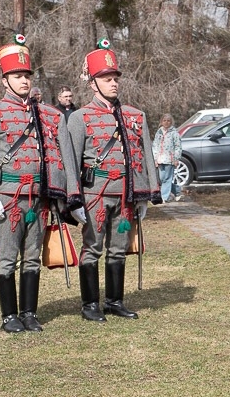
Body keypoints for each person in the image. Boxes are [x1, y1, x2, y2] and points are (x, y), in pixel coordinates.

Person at [0, 35, 77, 333]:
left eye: (27, 76)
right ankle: (9, 316)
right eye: (17, 76)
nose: (24, 81)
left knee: (32, 256)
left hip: (39, 198)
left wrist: (61, 193)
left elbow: (59, 157)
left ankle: (29, 313)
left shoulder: (47, 115)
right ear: (4, 80)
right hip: (8, 197)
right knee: (7, 259)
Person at [65, 39, 156, 322]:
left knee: (118, 248)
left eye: (115, 77)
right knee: (92, 247)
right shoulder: (80, 118)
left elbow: (146, 156)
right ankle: (90, 304)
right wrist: (74, 198)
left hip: (126, 193)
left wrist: (144, 195)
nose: (113, 83)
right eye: (106, 78)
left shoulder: (135, 116)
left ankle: (115, 301)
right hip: (96, 193)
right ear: (93, 83)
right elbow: (71, 160)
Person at [153, 113, 183, 203]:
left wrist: (176, 158)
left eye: (168, 121)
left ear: (171, 122)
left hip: (170, 160)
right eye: (164, 120)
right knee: (162, 179)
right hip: (160, 159)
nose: (166, 122)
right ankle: (177, 190)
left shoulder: (174, 133)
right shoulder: (159, 133)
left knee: (167, 179)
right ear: (161, 122)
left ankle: (163, 197)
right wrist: (155, 158)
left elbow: (178, 147)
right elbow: (155, 145)